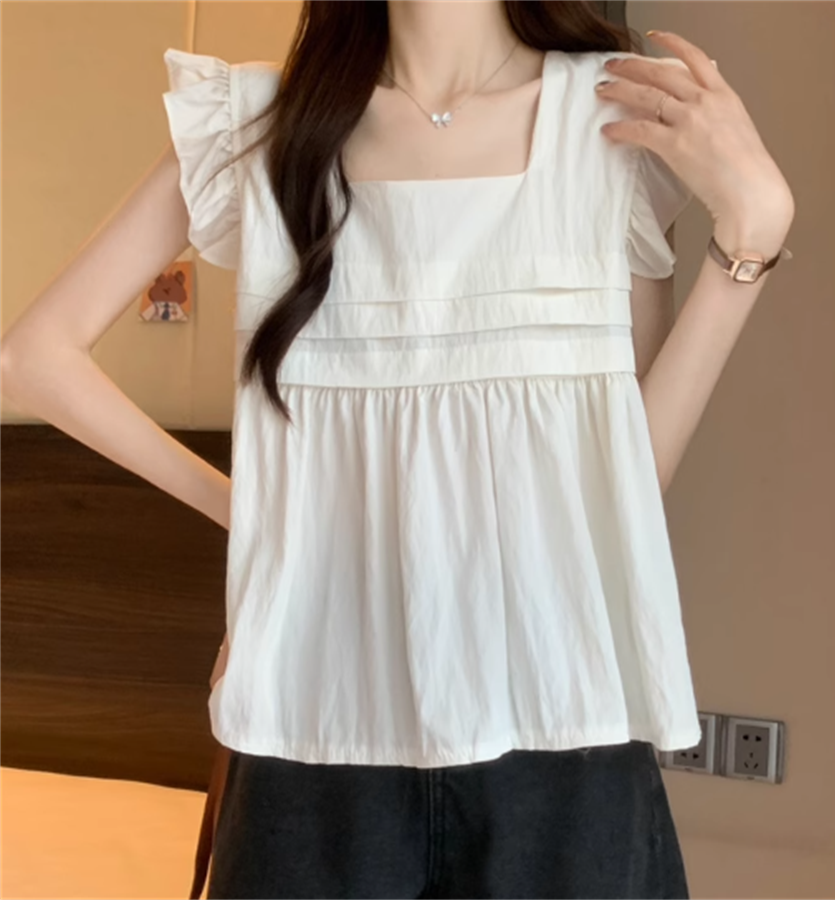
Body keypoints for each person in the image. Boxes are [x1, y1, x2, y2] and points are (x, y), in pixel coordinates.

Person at [0, 1, 794, 897]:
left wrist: (752, 235)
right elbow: (32, 360)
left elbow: (630, 479)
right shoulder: (259, 129)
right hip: (316, 726)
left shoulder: (614, 117)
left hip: (565, 715)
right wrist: (256, 517)